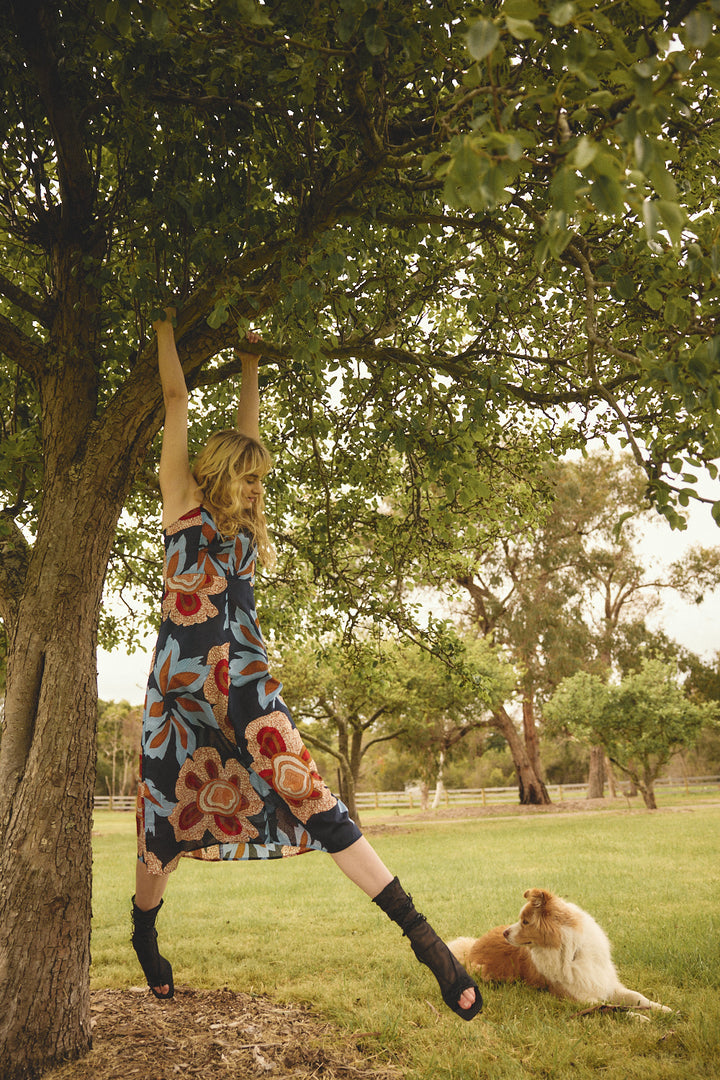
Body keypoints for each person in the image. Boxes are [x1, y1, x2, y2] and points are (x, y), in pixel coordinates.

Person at [131, 308, 482, 1021]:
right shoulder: (183, 506)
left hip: (250, 692)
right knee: (161, 830)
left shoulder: (245, 532)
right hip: (180, 698)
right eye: (251, 479)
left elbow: (252, 430)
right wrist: (165, 327)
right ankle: (143, 932)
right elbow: (176, 402)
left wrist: (253, 365)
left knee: (316, 799)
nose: (261, 490)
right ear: (223, 475)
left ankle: (428, 944)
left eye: (262, 480)